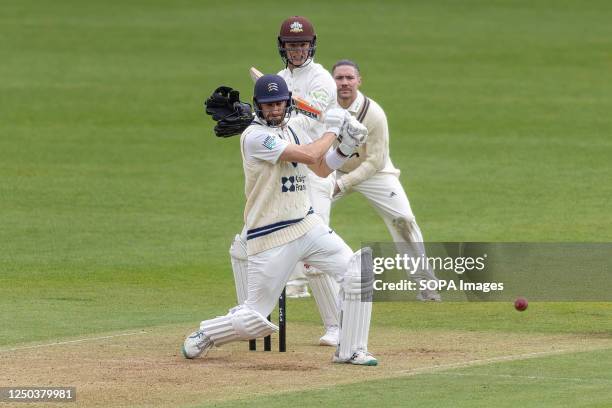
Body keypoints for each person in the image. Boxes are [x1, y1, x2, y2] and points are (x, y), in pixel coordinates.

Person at [184, 74, 377, 366]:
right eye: (267, 105)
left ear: (287, 103)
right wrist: (334, 130)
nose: (274, 109)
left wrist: (345, 147)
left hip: (307, 225)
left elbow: (323, 169)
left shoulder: (296, 127)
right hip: (270, 235)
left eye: (278, 103)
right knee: (254, 318)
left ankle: (351, 349)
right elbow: (311, 155)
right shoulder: (254, 137)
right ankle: (207, 333)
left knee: (358, 270)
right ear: (259, 107)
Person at [230, 16, 341, 347]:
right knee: (249, 242)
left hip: (315, 167)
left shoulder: (322, 80)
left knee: (314, 254)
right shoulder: (278, 79)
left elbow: (305, 119)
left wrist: (284, 99)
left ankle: (335, 326)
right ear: (283, 47)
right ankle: (250, 313)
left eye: (302, 44)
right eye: (291, 45)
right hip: (283, 168)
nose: (297, 50)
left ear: (311, 45)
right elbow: (273, 120)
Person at [331, 60, 440, 301]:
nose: (344, 83)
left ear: (359, 81)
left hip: (375, 173)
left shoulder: (374, 113)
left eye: (350, 78)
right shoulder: (325, 108)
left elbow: (376, 161)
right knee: (304, 214)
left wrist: (344, 183)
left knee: (404, 220)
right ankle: (296, 283)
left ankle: (426, 286)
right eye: (339, 78)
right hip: (334, 169)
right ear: (332, 82)